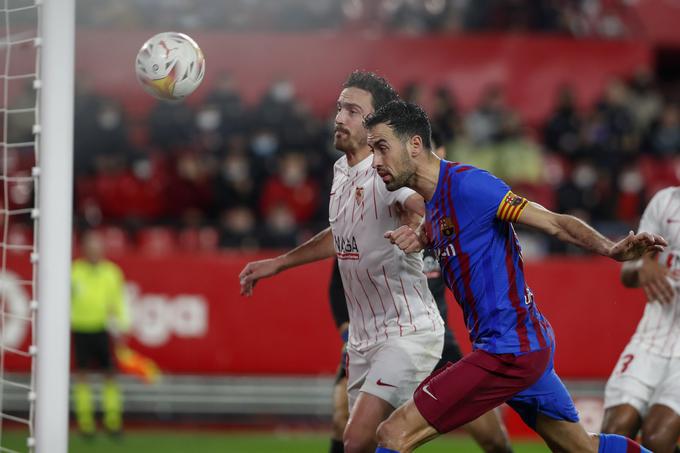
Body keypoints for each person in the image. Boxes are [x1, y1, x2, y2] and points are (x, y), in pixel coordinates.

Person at [362, 100, 666, 453]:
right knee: (581, 449)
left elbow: (553, 221)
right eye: (372, 150)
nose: (376, 161)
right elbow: (456, 234)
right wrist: (422, 237)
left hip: (508, 350)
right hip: (520, 345)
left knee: (393, 433)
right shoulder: (435, 203)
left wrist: (610, 249)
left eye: (382, 147)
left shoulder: (470, 186)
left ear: (414, 144)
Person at [240, 71, 446, 453]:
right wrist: (279, 263)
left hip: (406, 334)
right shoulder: (341, 171)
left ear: (375, 125)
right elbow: (341, 235)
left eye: (352, 110)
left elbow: (422, 204)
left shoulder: (388, 172)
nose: (339, 118)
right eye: (339, 108)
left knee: (356, 441)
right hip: (364, 340)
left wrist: (422, 229)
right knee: (376, 444)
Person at [601, 186, 680, 453]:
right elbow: (628, 273)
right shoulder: (665, 200)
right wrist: (642, 265)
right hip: (650, 336)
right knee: (614, 432)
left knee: (658, 440)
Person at [71, 230, 130, 437]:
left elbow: (118, 302)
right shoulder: (74, 272)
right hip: (80, 328)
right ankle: (85, 422)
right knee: (83, 375)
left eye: (97, 247)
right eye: (91, 247)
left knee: (110, 374)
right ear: (84, 250)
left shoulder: (111, 272)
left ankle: (112, 420)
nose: (94, 251)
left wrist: (121, 327)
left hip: (103, 329)